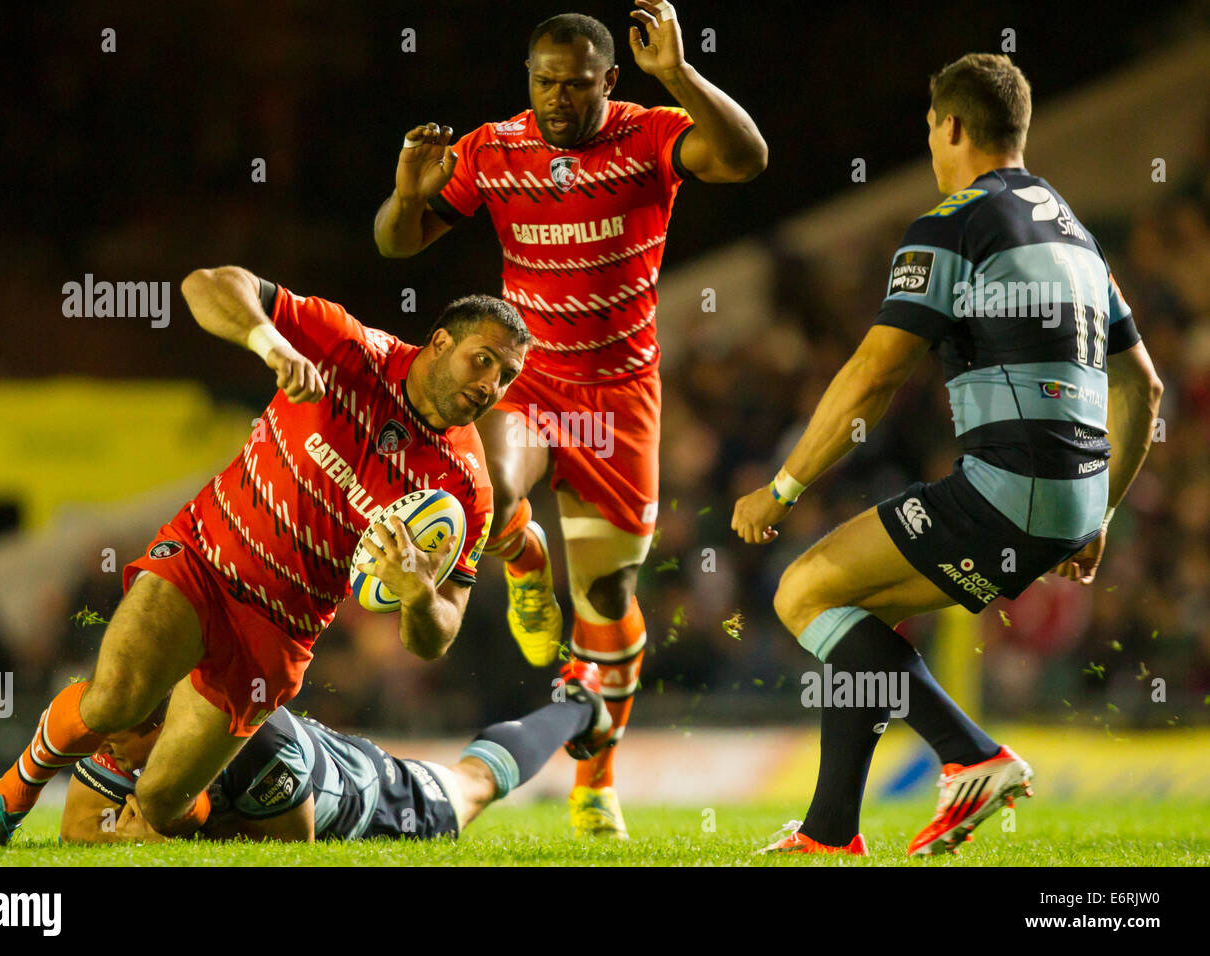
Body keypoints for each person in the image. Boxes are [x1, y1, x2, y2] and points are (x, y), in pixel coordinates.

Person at [732, 53, 1163, 856]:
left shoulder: (954, 221)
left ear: (953, 126)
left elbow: (874, 372)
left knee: (803, 592)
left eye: (931, 129)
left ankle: (971, 753)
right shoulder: (1075, 232)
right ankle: (830, 833)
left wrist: (782, 488)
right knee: (856, 611)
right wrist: (1098, 511)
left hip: (1012, 487)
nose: (931, 146)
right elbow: (1143, 385)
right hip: (1067, 498)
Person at [0, 267, 528, 846]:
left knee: (160, 801)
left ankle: (213, 811)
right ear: (441, 342)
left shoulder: (466, 488)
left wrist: (419, 593)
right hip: (204, 557)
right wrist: (267, 340)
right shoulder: (347, 347)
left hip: (274, 636)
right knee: (114, 698)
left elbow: (435, 638)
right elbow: (206, 284)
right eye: (483, 360)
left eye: (506, 376)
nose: (491, 385)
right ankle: (8, 797)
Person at [373, 3, 767, 838]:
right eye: (545, 83)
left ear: (609, 81)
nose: (558, 99)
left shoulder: (649, 132)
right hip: (533, 384)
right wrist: (406, 196)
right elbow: (397, 245)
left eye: (577, 85)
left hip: (621, 399)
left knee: (609, 596)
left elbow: (746, 157)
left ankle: (598, 780)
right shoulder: (495, 149)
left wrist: (679, 76)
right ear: (528, 80)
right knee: (489, 493)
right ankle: (522, 558)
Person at [60, 660, 611, 845]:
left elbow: (291, 849)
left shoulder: (257, 746)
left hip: (376, 799)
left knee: (473, 784)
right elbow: (77, 834)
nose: (104, 742)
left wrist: (178, 829)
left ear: (160, 726)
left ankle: (582, 705)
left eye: (119, 734)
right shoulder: (123, 731)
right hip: (324, 751)